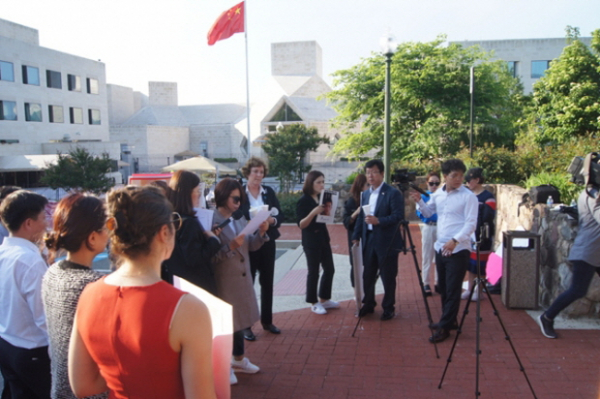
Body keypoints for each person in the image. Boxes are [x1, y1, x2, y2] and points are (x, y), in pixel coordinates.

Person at [68, 186, 216, 399]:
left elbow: (83, 385)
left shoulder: (89, 294)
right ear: (164, 232)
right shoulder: (187, 308)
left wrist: (126, 374)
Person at [42, 193, 109, 399]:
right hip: (90, 389)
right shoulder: (95, 285)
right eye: (106, 227)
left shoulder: (53, 271)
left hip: (60, 385)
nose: (109, 233)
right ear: (92, 237)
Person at [410, 159, 478, 343]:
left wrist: (455, 240)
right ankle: (449, 320)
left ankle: (445, 327)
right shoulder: (438, 194)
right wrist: (419, 202)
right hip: (441, 246)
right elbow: (428, 211)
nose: (458, 179)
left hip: (459, 248)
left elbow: (471, 224)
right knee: (444, 288)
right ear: (445, 176)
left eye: (461, 176)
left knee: (454, 288)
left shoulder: (468, 196)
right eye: (454, 176)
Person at [212, 178, 269, 385]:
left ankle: (239, 359)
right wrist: (230, 248)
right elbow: (209, 257)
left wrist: (261, 233)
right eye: (235, 198)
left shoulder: (238, 218)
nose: (238, 202)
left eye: (240, 198)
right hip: (224, 279)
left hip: (242, 276)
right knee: (227, 324)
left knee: (239, 321)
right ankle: (224, 364)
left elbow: (250, 246)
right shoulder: (211, 221)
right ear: (223, 196)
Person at [538, 159, 600, 339]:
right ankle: (547, 317)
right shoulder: (593, 194)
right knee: (577, 290)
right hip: (588, 252)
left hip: (595, 252)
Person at [0, 190, 51, 399]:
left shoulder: (5, 252)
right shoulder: (29, 261)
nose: (46, 224)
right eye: (43, 218)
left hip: (6, 342)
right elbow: (44, 318)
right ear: (28, 223)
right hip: (31, 351)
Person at [352, 160, 404, 321]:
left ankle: (389, 308)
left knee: (388, 277)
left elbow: (398, 216)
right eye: (368, 172)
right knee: (368, 274)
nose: (370, 176)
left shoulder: (392, 193)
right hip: (369, 240)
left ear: (382, 173)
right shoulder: (365, 194)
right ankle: (368, 303)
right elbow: (362, 217)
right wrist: (356, 236)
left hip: (387, 241)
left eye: (374, 172)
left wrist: (379, 221)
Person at [240, 157, 283, 341]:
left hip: (266, 242)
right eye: (255, 171)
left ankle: (267, 321)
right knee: (248, 285)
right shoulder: (239, 193)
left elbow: (279, 215)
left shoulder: (269, 192)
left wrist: (270, 221)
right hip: (248, 244)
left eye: (261, 172)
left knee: (267, 283)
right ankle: (246, 326)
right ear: (247, 173)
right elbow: (235, 215)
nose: (259, 175)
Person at [162, 170, 221, 295]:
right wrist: (213, 240)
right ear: (187, 194)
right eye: (197, 190)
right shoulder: (188, 223)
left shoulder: (168, 220)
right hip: (196, 288)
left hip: (176, 286)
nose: (199, 194)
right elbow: (195, 259)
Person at [297, 171, 340, 315]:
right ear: (311, 183)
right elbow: (301, 224)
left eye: (323, 182)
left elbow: (326, 218)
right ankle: (313, 302)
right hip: (311, 240)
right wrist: (313, 213)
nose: (322, 185)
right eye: (319, 182)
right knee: (313, 271)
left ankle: (324, 299)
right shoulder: (304, 201)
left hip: (323, 237)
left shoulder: (323, 198)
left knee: (329, 268)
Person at [462, 168, 496, 301]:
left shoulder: (488, 197)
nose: (468, 183)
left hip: (483, 235)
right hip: (469, 235)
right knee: (470, 264)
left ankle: (479, 291)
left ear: (477, 180)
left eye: (469, 180)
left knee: (481, 264)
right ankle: (469, 289)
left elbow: (488, 216)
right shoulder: (468, 195)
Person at [416, 172, 441, 296]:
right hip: (429, 227)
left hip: (441, 228)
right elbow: (421, 214)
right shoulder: (423, 197)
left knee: (440, 256)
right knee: (427, 255)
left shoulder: (442, 196)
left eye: (437, 183)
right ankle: (425, 282)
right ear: (427, 183)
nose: (434, 186)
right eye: (431, 183)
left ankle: (438, 282)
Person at [343, 173, 368, 287]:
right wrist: (357, 212)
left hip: (369, 235)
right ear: (361, 186)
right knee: (355, 263)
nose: (369, 187)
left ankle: (366, 289)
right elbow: (346, 222)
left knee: (369, 263)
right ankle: (356, 290)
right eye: (367, 185)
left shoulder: (372, 198)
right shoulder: (351, 201)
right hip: (355, 236)